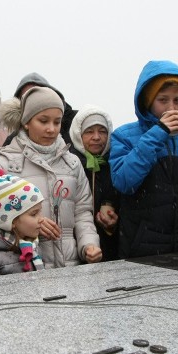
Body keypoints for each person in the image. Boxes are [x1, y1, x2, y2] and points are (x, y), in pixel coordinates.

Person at [0, 86, 101, 267]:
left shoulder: (73, 164)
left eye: (57, 122)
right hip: (22, 266)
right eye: (43, 121)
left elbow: (82, 213)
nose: (51, 129)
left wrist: (89, 245)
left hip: (69, 266)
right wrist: (26, 226)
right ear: (26, 122)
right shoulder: (3, 165)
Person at [110, 61, 178, 258]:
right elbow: (124, 182)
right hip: (140, 249)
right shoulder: (124, 135)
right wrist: (158, 133)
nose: (171, 107)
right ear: (148, 101)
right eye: (163, 100)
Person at [69, 105, 120, 261]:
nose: (97, 137)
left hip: (110, 250)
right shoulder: (70, 165)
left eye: (102, 131)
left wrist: (112, 225)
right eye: (89, 131)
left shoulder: (115, 164)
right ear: (78, 135)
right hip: (75, 249)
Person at [2, 72, 77, 146]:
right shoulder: (11, 143)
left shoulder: (77, 124)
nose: (51, 129)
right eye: (28, 97)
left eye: (57, 122)